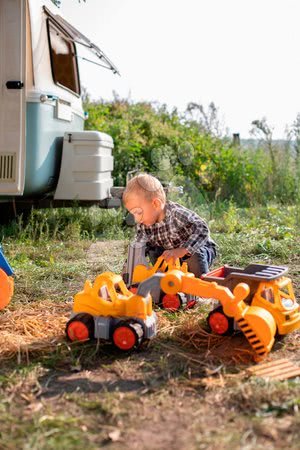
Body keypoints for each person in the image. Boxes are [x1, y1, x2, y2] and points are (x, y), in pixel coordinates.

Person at [122, 173, 217, 277]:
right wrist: (126, 273)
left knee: (194, 255)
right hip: (172, 256)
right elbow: (137, 248)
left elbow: (202, 228)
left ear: (156, 204)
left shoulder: (176, 214)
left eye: (138, 212)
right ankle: (164, 279)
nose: (136, 219)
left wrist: (183, 250)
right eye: (133, 214)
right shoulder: (144, 225)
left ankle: (199, 285)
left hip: (196, 250)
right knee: (152, 250)